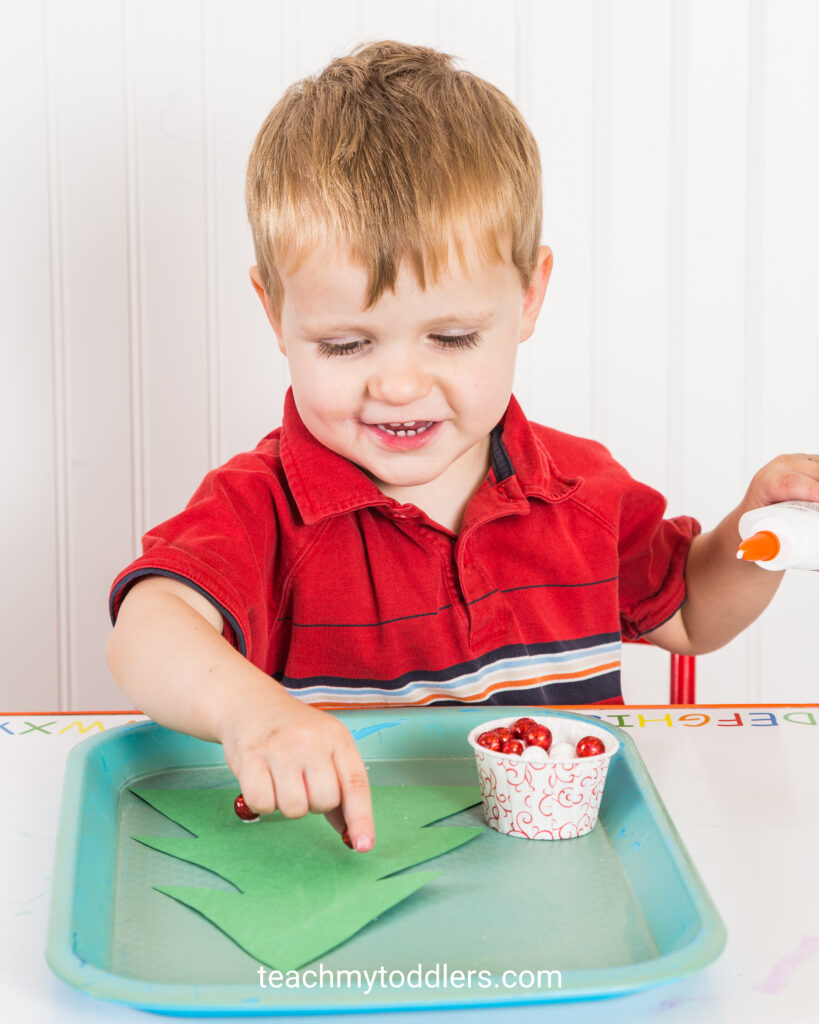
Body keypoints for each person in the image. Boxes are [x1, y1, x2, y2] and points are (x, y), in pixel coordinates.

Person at [105, 40, 819, 855]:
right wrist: (251, 711)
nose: (400, 385)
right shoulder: (262, 506)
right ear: (275, 315)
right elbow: (145, 626)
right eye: (345, 345)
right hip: (344, 887)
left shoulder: (579, 489)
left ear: (528, 298)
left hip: (562, 887)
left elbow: (691, 613)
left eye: (449, 336)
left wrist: (757, 533)